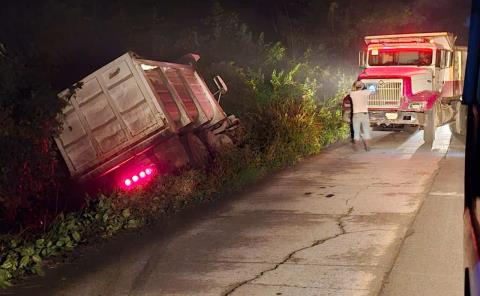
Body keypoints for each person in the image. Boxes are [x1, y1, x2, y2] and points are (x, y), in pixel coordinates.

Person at [349, 80, 373, 151]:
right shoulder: (365, 92)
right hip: (364, 114)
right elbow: (372, 91)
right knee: (366, 131)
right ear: (362, 86)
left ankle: (356, 148)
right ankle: (367, 147)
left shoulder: (352, 93)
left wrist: (357, 86)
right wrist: (363, 86)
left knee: (356, 132)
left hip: (356, 115)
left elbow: (352, 90)